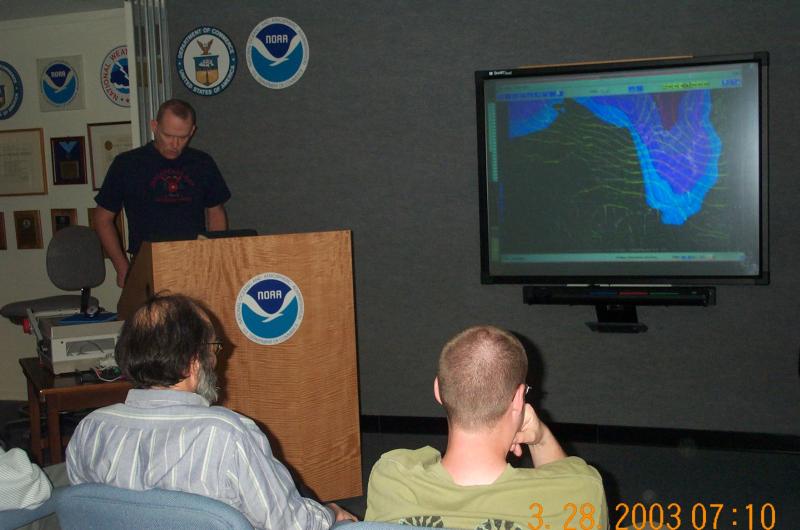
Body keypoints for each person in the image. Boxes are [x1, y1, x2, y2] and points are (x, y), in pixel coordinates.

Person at [66, 294, 356, 529]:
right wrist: (329, 515)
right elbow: (288, 526)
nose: (216, 360)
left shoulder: (90, 429)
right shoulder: (227, 433)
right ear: (193, 363)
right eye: (215, 348)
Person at [366, 325, 608, 529]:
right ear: (518, 399)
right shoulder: (582, 489)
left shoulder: (391, 477)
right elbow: (564, 480)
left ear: (438, 390)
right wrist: (541, 438)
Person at [93, 99, 231, 287]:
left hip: (194, 260)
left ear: (192, 131)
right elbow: (102, 218)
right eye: (168, 135)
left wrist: (214, 256)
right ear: (154, 126)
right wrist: (122, 266)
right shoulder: (127, 164)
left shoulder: (202, 163)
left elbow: (216, 212)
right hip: (146, 262)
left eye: (183, 137)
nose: (175, 144)